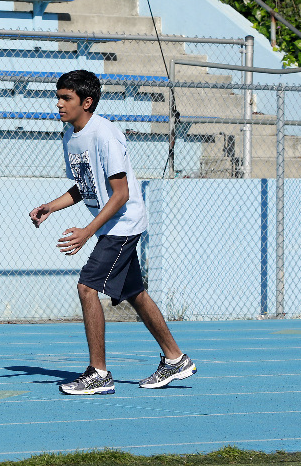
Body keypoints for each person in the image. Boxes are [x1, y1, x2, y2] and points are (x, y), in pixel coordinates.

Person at [29, 69, 196, 395]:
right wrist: (51, 206)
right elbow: (85, 185)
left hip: (123, 223)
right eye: (58, 97)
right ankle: (176, 358)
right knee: (135, 293)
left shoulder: (105, 135)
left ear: (86, 102)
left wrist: (87, 231)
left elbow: (120, 193)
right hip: (109, 225)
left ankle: (99, 373)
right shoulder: (70, 136)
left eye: (67, 98)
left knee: (87, 287)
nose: (59, 104)